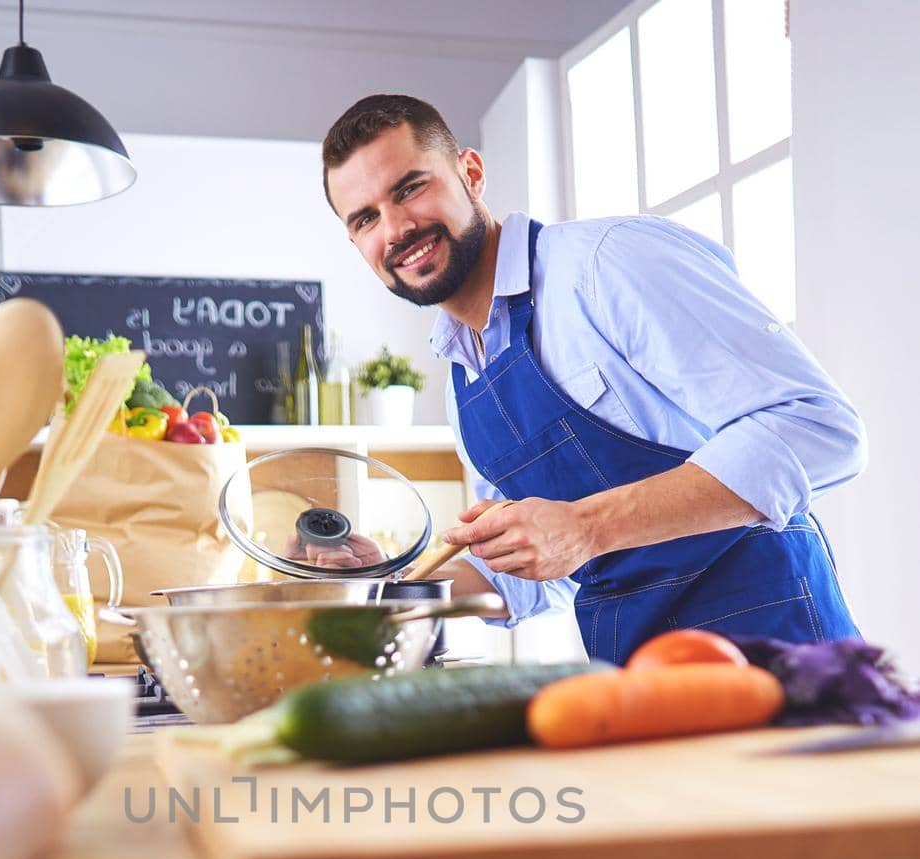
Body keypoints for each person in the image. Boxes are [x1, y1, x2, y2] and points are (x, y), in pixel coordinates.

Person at [321, 94, 867, 664]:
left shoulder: (607, 264)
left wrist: (586, 526)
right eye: (365, 218)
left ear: (471, 174)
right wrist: (393, 588)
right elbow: (544, 570)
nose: (397, 228)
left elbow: (819, 428)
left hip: (778, 649)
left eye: (410, 188)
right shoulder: (463, 382)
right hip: (642, 678)